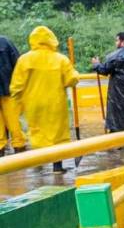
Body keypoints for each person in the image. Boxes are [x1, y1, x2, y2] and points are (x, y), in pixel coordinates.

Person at [10, 26, 79, 171]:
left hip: (34, 104)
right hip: (56, 104)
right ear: (51, 39)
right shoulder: (61, 59)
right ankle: (57, 167)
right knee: (57, 135)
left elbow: (16, 86)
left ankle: (38, 166)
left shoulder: (25, 59)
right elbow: (72, 79)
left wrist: (17, 102)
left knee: (37, 133)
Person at [0, 35, 27, 154]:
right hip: (8, 87)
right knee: (13, 120)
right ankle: (18, 146)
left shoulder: (5, 42)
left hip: (8, 89)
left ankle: (3, 147)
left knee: (13, 120)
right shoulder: (5, 42)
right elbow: (18, 63)